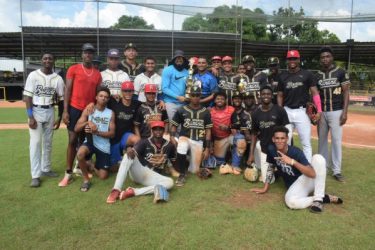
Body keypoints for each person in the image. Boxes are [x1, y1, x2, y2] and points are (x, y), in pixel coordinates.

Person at [251, 126, 343, 213]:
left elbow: (312, 174)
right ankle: (323, 198)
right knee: (290, 202)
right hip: (296, 186)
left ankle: (318, 200)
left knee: (318, 158)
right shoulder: (271, 149)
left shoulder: (295, 152)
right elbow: (270, 167)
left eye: (282, 138)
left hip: (307, 179)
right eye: (277, 138)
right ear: (273, 139)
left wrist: (292, 161)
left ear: (287, 139)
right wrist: (265, 188)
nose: (280, 141)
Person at [59, 43, 102, 187]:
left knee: (85, 141)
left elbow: (97, 95)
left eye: (90, 52)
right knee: (72, 140)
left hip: (89, 111)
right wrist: (65, 111)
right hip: (74, 108)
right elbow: (67, 91)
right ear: (82, 54)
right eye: (86, 52)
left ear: (93, 55)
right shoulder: (73, 69)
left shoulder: (97, 73)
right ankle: (68, 172)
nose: (88, 55)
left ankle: (80, 167)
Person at [106, 121, 175, 204]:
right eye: (155, 129)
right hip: (141, 172)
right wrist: (129, 148)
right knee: (128, 156)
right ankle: (116, 190)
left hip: (154, 177)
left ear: (163, 130)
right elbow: (133, 152)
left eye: (160, 129)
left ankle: (134, 191)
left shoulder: (169, 145)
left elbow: (173, 160)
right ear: (151, 131)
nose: (158, 131)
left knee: (170, 182)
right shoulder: (144, 142)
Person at [23, 52, 64, 187]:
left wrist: (59, 117)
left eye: (50, 58)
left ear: (54, 61)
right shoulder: (33, 75)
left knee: (48, 143)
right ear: (41, 60)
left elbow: (62, 99)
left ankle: (46, 168)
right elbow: (27, 97)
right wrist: (30, 116)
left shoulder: (57, 78)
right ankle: (35, 175)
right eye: (45, 58)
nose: (47, 60)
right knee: (35, 143)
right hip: (35, 110)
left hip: (50, 110)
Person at [277, 50, 322, 162]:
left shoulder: (307, 74)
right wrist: (280, 110)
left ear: (299, 60)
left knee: (306, 142)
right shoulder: (282, 76)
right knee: (284, 141)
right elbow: (279, 95)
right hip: (287, 111)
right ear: (287, 61)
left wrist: (319, 110)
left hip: (302, 111)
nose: (292, 61)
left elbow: (315, 92)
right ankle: (284, 166)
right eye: (290, 59)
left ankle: (307, 167)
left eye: (294, 58)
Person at [315, 46, 350, 182]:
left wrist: (345, 112)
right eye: (322, 57)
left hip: (336, 111)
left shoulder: (340, 72)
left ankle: (336, 170)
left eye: (327, 56)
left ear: (332, 57)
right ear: (320, 59)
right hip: (322, 112)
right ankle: (322, 167)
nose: (325, 59)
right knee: (322, 141)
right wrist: (315, 112)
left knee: (336, 141)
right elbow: (315, 95)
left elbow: (346, 92)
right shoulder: (317, 74)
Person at [170, 86, 213, 186]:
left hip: (198, 141)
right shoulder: (182, 110)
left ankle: (187, 161)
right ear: (190, 96)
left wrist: (207, 148)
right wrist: (172, 136)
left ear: (200, 96)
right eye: (193, 95)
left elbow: (208, 131)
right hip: (185, 137)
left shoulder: (205, 112)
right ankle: (182, 174)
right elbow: (174, 126)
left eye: (197, 95)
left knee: (194, 170)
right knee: (182, 145)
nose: (195, 97)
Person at [74, 87, 115, 192]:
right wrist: (87, 123)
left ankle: (90, 164)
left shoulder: (110, 113)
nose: (103, 98)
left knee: (103, 176)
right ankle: (86, 180)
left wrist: (96, 132)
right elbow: (76, 128)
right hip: (90, 142)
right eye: (101, 96)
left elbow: (112, 133)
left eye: (106, 97)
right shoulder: (89, 110)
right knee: (80, 154)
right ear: (96, 97)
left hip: (104, 145)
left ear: (108, 99)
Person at [248, 85, 290, 182]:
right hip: (265, 149)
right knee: (268, 180)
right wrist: (251, 154)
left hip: (279, 149)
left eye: (268, 94)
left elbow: (288, 130)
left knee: (288, 175)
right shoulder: (255, 113)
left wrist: (286, 149)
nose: (266, 96)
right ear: (260, 96)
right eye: (263, 94)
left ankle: (278, 168)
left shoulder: (280, 110)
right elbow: (254, 134)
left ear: (272, 96)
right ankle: (275, 170)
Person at [210, 92, 245, 175]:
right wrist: (210, 145)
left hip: (230, 136)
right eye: (218, 99)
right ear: (214, 100)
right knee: (219, 163)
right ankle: (226, 161)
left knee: (240, 139)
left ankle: (235, 165)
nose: (220, 100)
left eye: (222, 99)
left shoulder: (231, 109)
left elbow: (238, 125)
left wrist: (228, 127)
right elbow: (208, 129)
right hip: (218, 139)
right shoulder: (210, 111)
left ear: (225, 100)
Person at [107, 81, 141, 168]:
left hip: (126, 136)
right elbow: (101, 96)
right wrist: (112, 95)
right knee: (114, 168)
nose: (128, 93)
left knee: (137, 140)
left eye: (130, 91)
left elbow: (149, 103)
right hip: (114, 138)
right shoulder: (114, 102)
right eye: (125, 91)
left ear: (133, 92)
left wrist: (160, 102)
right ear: (121, 91)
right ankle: (121, 156)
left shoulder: (136, 104)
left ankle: (130, 154)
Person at [161, 50, 189, 123]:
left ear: (184, 60)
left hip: (184, 103)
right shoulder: (167, 70)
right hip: (170, 103)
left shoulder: (188, 72)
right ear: (174, 59)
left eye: (181, 58)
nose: (179, 59)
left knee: (183, 126)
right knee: (172, 126)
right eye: (177, 58)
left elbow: (189, 87)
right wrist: (178, 97)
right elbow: (164, 88)